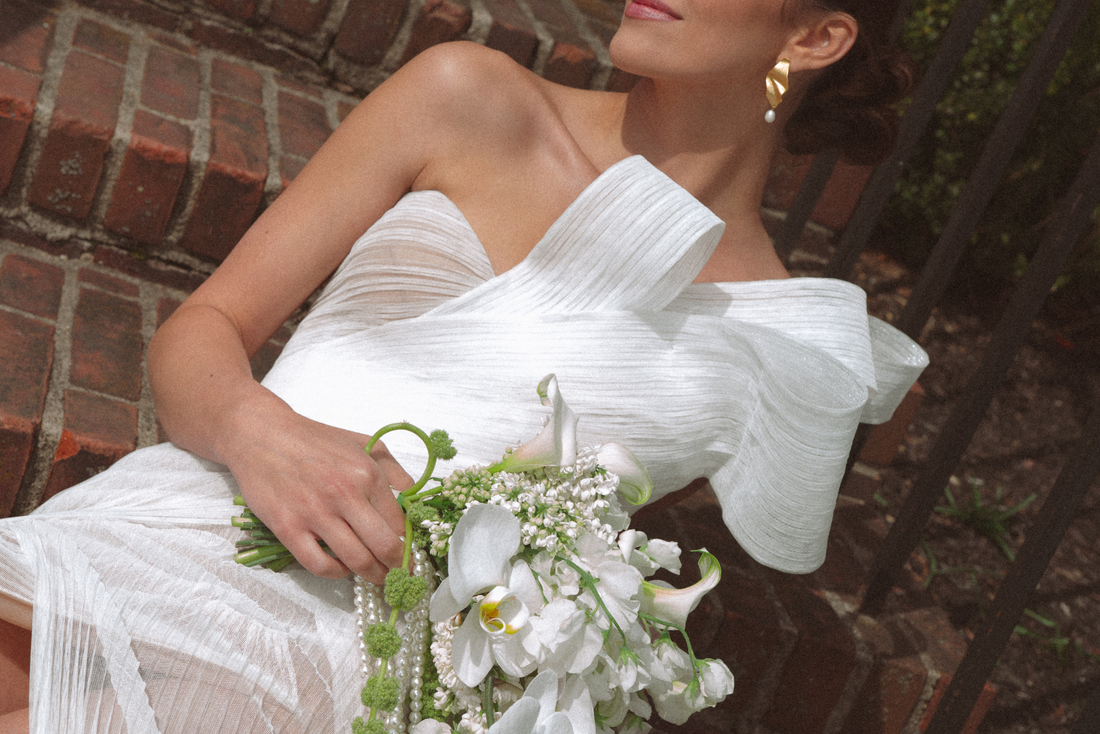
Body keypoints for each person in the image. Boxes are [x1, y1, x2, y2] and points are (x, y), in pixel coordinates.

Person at [0, 0, 927, 731]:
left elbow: (591, 540)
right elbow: (203, 326)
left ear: (815, 37)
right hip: (190, 515)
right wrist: (258, 432)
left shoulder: (783, 339)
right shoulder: (469, 97)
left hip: (367, 658)